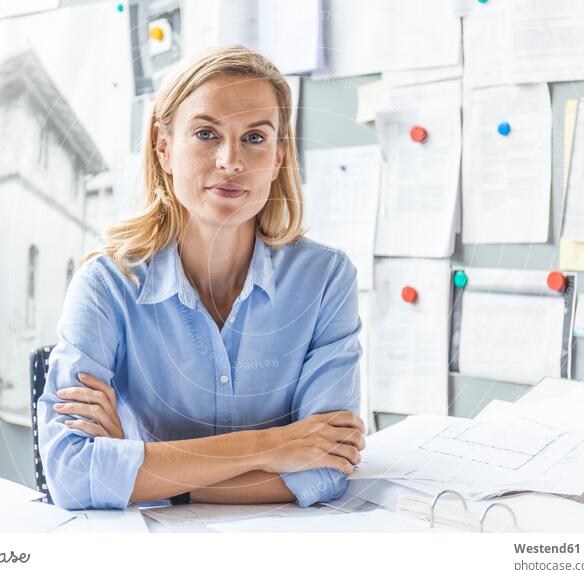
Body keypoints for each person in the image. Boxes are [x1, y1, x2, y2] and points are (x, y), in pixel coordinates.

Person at [37, 45, 365, 510]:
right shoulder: (106, 285)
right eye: (207, 133)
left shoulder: (326, 279)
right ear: (164, 147)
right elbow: (71, 474)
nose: (231, 161)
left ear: (278, 157)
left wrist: (141, 467)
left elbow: (326, 469)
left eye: (255, 138)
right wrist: (273, 448)